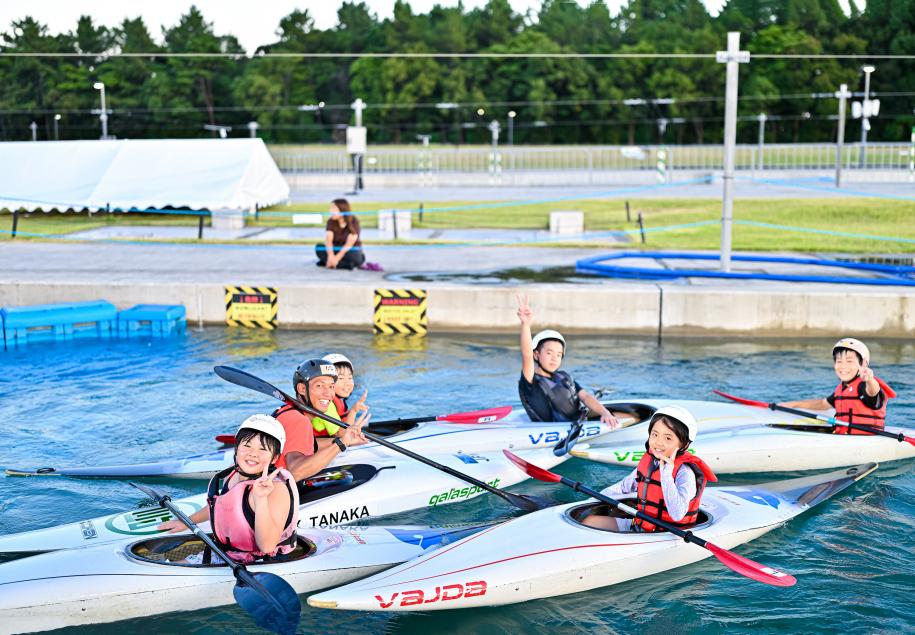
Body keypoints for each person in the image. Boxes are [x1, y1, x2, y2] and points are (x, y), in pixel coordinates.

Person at [157, 415, 299, 563]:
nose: (253, 453)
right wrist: (186, 522)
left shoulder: (276, 490)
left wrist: (261, 498)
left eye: (263, 449)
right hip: (227, 555)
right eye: (247, 445)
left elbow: (267, 546)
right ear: (236, 448)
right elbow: (222, 506)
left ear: (275, 458)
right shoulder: (233, 475)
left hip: (261, 563)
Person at [583, 405, 717, 532]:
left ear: (684, 444)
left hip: (667, 534)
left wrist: (666, 475)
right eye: (654, 434)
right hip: (640, 524)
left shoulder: (685, 473)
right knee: (588, 521)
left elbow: (677, 514)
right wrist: (591, 501)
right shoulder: (650, 463)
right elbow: (623, 487)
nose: (658, 442)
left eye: (668, 438)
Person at [516, 294, 618, 426]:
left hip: (580, 422)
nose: (554, 358)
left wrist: (605, 413)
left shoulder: (563, 377)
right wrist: (525, 324)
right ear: (536, 355)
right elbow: (526, 355)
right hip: (553, 431)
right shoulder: (531, 381)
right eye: (549, 353)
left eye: (559, 355)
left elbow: (586, 397)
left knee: (629, 415)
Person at [274, 359, 369, 481]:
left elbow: (308, 444)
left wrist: (343, 440)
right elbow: (295, 471)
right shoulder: (298, 420)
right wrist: (341, 444)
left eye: (331, 387)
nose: (328, 393)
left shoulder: (290, 411)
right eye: (319, 386)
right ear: (302, 388)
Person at [782, 337, 896, 435]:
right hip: (842, 434)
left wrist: (869, 379)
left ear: (863, 364)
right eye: (839, 361)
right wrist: (793, 404)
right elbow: (823, 404)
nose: (843, 366)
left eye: (849, 361)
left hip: (865, 438)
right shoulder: (842, 388)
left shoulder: (863, 385)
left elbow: (873, 392)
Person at [315, 198, 366, 270]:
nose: (330, 211)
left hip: (348, 250)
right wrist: (330, 255)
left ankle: (330, 262)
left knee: (355, 256)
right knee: (319, 247)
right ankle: (344, 265)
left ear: (342, 210)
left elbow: (349, 244)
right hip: (335, 249)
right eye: (330, 208)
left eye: (333, 209)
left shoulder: (354, 221)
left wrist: (336, 258)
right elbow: (328, 240)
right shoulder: (331, 221)